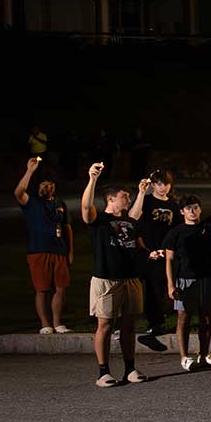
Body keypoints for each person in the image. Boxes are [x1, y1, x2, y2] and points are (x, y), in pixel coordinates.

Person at [160, 176, 211, 371]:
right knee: (183, 317)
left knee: (207, 317)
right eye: (188, 208)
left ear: (200, 209)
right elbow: (168, 260)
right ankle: (184, 357)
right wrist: (170, 285)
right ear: (182, 211)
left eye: (195, 207)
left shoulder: (208, 227)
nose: (192, 211)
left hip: (208, 278)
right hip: (185, 279)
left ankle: (204, 353)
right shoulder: (175, 233)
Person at [80, 162, 144, 386]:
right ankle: (103, 372)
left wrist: (143, 193)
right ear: (111, 199)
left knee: (129, 324)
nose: (128, 199)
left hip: (130, 278)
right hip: (106, 279)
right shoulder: (99, 221)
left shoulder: (128, 221)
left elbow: (137, 213)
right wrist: (93, 179)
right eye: (124, 196)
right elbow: (86, 209)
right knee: (105, 325)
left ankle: (130, 369)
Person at [16, 157, 72, 335]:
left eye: (51, 185)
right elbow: (18, 192)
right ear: (39, 187)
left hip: (59, 250)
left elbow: (67, 227)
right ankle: (45, 324)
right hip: (38, 251)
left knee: (61, 288)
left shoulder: (60, 204)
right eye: (44, 185)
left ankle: (57, 323)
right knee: (42, 289)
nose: (48, 188)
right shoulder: (31, 202)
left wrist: (70, 251)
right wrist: (30, 171)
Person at [134, 170, 182, 351]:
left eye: (166, 184)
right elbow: (134, 218)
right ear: (153, 185)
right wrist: (141, 192)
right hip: (144, 250)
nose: (163, 187)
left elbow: (177, 229)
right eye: (160, 184)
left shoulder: (173, 205)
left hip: (163, 252)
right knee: (134, 287)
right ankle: (122, 321)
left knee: (157, 288)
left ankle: (156, 322)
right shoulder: (145, 201)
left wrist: (169, 249)